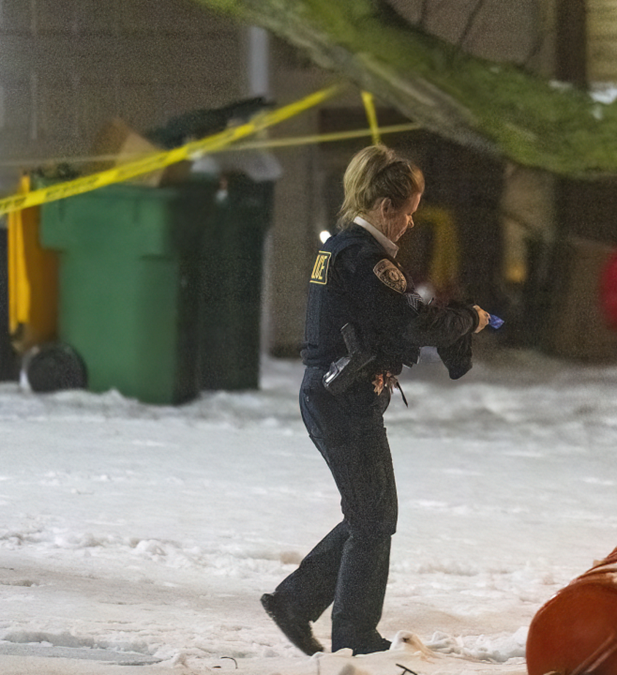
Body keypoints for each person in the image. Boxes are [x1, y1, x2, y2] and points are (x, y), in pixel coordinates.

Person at [260, 145, 490, 656]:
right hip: (342, 399)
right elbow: (414, 322)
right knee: (373, 519)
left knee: (371, 514)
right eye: (408, 210)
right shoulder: (366, 259)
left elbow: (393, 317)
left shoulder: (343, 249)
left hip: (337, 395)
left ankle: (298, 603)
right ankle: (353, 635)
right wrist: (468, 320)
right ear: (385, 207)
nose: (411, 222)